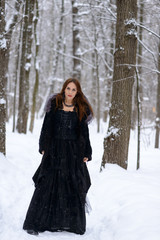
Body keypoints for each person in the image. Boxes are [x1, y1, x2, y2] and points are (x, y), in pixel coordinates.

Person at [23, 78, 93, 235]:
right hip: (54, 151)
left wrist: (87, 153)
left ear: (78, 92)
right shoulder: (54, 106)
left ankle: (71, 224)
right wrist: (43, 147)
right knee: (47, 184)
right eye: (68, 88)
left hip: (73, 153)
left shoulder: (80, 108)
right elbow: (46, 128)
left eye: (73, 89)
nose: (70, 92)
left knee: (72, 185)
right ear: (64, 89)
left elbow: (84, 133)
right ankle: (37, 222)